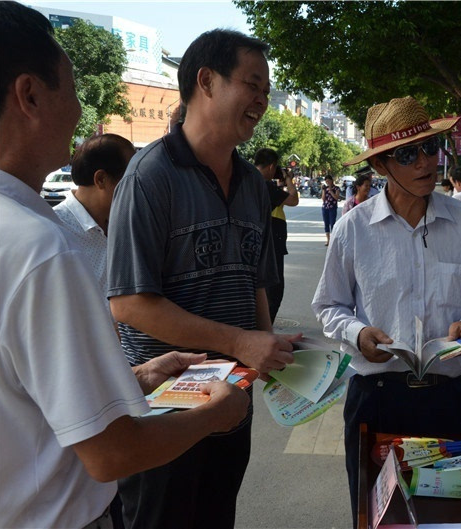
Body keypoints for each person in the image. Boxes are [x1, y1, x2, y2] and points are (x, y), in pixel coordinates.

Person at [0, 4, 250, 528]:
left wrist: (132, 377)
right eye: (71, 86)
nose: (80, 107)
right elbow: (112, 452)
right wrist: (214, 414)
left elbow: (22, 394)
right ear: (29, 95)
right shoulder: (40, 247)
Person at [106, 29, 301, 529]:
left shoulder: (254, 185)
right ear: (207, 81)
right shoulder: (150, 176)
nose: (262, 100)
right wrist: (241, 341)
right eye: (252, 84)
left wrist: (267, 349)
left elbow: (255, 283)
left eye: (266, 89)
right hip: (164, 413)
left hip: (232, 403)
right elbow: (130, 305)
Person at [311, 96, 461, 524]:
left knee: (452, 514)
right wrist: (358, 334)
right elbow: (328, 305)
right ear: (380, 166)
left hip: (451, 397)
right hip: (378, 398)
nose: (424, 162)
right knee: (380, 516)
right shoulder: (353, 230)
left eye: (430, 148)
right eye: (407, 154)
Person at [53, 133, 136, 306]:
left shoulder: (129, 223)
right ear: (101, 179)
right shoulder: (55, 231)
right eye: (132, 178)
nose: (139, 187)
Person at [254, 148, 299, 322]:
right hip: (271, 241)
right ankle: (265, 329)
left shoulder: (248, 179)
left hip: (254, 239)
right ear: (272, 166)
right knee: (274, 290)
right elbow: (293, 200)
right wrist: (288, 180)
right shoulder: (265, 185)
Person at [321, 175, 340, 245]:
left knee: (332, 223)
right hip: (325, 207)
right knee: (326, 224)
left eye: (328, 181)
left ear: (332, 181)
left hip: (332, 208)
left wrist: (331, 191)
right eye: (326, 181)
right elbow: (323, 199)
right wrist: (323, 190)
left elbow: (336, 197)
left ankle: (333, 239)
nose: (327, 182)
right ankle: (328, 240)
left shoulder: (336, 188)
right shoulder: (325, 188)